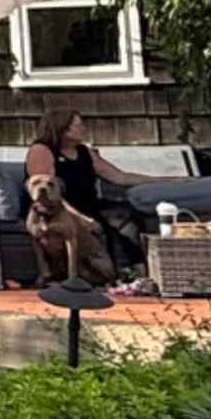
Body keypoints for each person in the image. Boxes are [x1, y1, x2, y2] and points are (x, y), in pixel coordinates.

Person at [23, 110, 148, 288]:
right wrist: (82, 219)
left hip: (90, 205)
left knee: (126, 218)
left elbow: (119, 177)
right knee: (99, 226)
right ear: (63, 129)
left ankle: (134, 274)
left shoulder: (84, 152)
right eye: (78, 125)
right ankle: (75, 277)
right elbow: (46, 194)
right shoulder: (41, 150)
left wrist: (168, 180)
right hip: (54, 210)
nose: (83, 129)